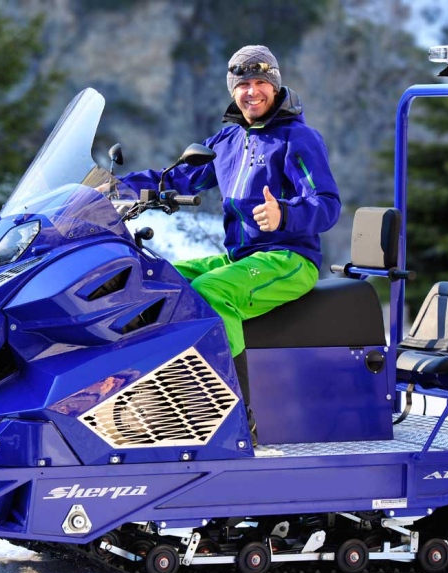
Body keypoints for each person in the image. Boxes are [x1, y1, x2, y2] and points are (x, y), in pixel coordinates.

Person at [119, 44, 340, 359]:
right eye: (243, 84)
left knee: (212, 290)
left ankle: (231, 387)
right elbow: (177, 177)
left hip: (289, 259)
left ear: (275, 87)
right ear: (233, 91)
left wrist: (284, 214)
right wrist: (117, 187)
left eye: (261, 83)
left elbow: (327, 204)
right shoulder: (227, 142)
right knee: (158, 279)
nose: (252, 91)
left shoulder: (297, 138)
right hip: (240, 258)